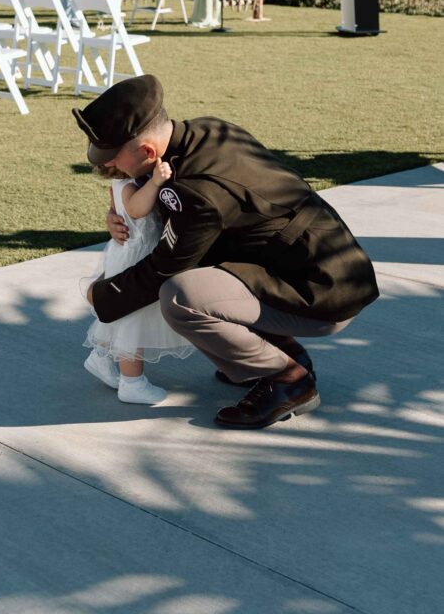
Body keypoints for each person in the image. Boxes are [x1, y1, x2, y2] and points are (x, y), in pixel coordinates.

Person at [72, 74, 380, 430]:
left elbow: (164, 266)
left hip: (320, 292)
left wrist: (104, 294)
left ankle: (287, 380)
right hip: (316, 267)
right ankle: (283, 353)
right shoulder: (205, 132)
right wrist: (119, 213)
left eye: (114, 159)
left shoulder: (199, 191)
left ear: (147, 151)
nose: (110, 167)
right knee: (200, 269)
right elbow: (163, 202)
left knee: (180, 296)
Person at [81, 158, 194, 405]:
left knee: (117, 315)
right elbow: (135, 209)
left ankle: (100, 356)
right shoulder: (131, 187)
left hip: (123, 256)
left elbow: (118, 210)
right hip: (135, 260)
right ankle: (132, 383)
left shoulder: (118, 184)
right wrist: (155, 182)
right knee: (133, 322)